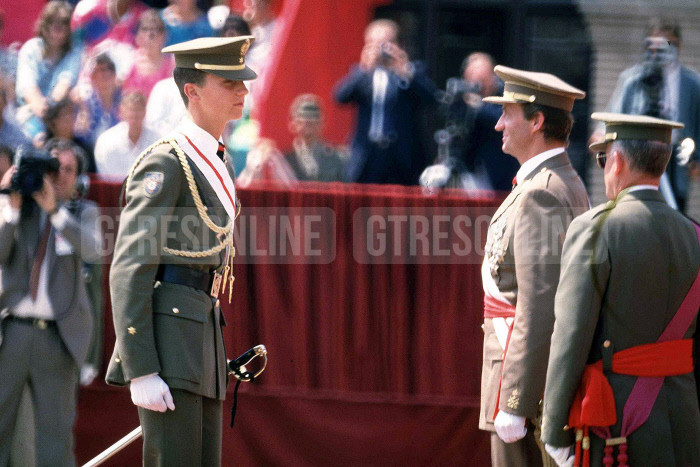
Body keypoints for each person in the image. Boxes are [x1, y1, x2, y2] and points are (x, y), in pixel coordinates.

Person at [105, 35, 256, 465]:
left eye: (242, 82)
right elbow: (130, 266)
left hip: (200, 334)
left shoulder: (219, 161)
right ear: (192, 90)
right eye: (228, 83)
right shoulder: (167, 162)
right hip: (168, 341)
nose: (242, 91)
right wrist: (142, 367)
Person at [541, 113, 700, 467]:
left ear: (616, 160)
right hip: (685, 419)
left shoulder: (596, 230)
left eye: (603, 158)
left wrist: (555, 429)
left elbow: (570, 336)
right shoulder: (695, 234)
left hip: (618, 423)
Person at [478, 65, 590, 466]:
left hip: (525, 381)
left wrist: (514, 400)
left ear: (537, 121)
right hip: (529, 373)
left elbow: (539, 302)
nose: (498, 125)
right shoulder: (554, 182)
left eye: (507, 114)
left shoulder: (541, 194)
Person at [0, 140, 102, 465]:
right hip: (12, 332)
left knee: (55, 437)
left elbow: (93, 250)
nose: (58, 177)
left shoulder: (83, 212)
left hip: (55, 338)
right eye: (53, 168)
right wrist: (10, 209)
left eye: (67, 171)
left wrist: (55, 213)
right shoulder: (21, 207)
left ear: (77, 179)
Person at [603, 18, 700, 213]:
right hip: (637, 154)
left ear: (677, 45)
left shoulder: (692, 83)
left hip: (674, 159)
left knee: (673, 211)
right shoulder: (633, 79)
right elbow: (615, 114)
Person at [334, 18, 437, 185]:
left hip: (402, 157)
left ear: (399, 45)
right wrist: (363, 68)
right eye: (373, 44)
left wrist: (404, 71)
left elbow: (431, 99)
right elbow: (340, 97)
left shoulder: (412, 71)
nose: (380, 50)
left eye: (385, 44)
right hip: (367, 157)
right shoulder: (361, 74)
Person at [446, 52, 519, 192]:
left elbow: (505, 119)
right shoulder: (461, 96)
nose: (476, 85)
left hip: (499, 170)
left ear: (493, 77)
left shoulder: (506, 93)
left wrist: (480, 107)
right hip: (468, 167)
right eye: (472, 79)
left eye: (482, 79)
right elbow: (452, 125)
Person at [15, 1, 83, 145]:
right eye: (53, 22)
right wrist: (42, 115)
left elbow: (63, 87)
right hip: (31, 111)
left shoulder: (75, 52)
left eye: (63, 24)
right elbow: (28, 89)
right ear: (44, 25)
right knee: (37, 137)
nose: (57, 28)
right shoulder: (31, 48)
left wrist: (50, 116)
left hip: (58, 112)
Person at [94, 90, 159, 177]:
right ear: (121, 111)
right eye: (131, 110)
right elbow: (106, 175)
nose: (134, 114)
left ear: (145, 112)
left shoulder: (157, 141)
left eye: (138, 109)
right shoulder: (106, 141)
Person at [283, 94, 346, 182]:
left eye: (314, 118)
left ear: (323, 123)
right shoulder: (283, 161)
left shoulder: (339, 158)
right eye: (303, 118)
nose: (308, 122)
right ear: (293, 124)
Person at [122, 9, 175, 99]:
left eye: (157, 29)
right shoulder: (127, 59)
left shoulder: (173, 63)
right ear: (137, 35)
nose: (151, 34)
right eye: (145, 29)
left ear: (165, 35)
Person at [74, 52, 122, 149]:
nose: (101, 77)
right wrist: (85, 113)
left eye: (106, 73)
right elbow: (79, 135)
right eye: (96, 74)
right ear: (91, 78)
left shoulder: (124, 101)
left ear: (114, 75)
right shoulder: (84, 102)